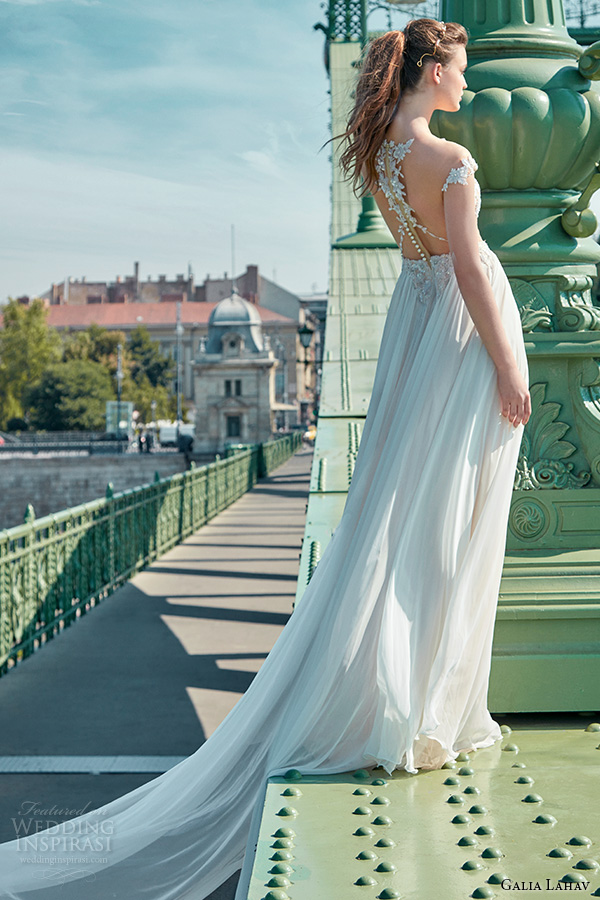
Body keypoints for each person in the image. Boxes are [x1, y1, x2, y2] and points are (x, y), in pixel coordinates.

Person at [0, 19, 530, 900]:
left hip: (413, 341)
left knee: (402, 519)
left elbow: (422, 262)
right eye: (462, 71)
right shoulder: (454, 163)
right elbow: (469, 268)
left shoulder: (382, 165)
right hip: (459, 350)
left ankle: (399, 692)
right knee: (448, 519)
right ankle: (423, 707)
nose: (468, 85)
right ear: (432, 72)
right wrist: (512, 369)